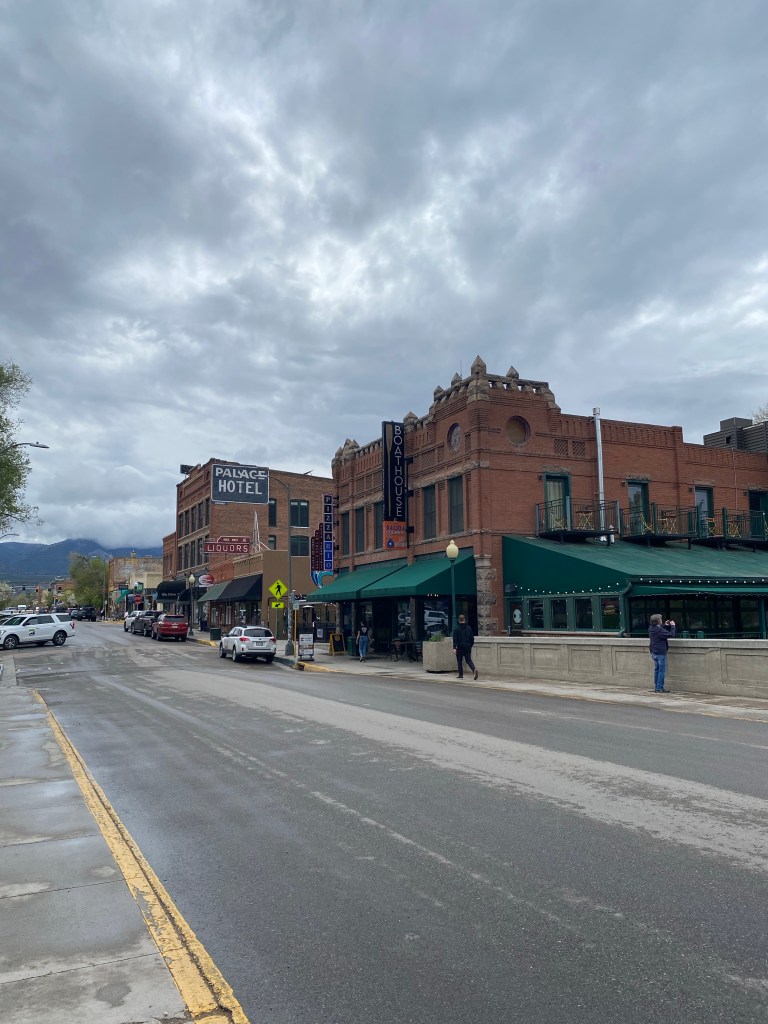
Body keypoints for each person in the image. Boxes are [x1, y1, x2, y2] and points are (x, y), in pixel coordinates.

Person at [648, 613, 676, 692]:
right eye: (660, 619)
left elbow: (659, 629)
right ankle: (659, 688)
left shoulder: (651, 628)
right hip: (660, 652)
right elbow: (671, 634)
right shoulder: (659, 630)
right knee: (661, 670)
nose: (661, 620)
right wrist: (673, 626)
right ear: (658, 621)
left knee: (657, 669)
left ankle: (656, 686)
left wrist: (665, 625)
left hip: (653, 651)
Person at [452, 614, 478, 680]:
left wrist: (454, 648)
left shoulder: (456, 629)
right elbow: (472, 638)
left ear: (458, 620)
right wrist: (470, 645)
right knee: (468, 660)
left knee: (459, 661)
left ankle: (460, 674)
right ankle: (474, 669)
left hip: (460, 647)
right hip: (467, 646)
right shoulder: (469, 628)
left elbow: (455, 639)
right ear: (464, 620)